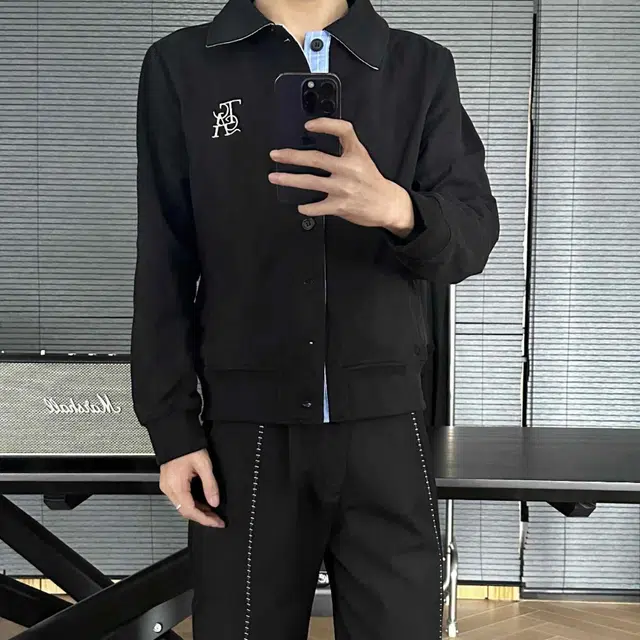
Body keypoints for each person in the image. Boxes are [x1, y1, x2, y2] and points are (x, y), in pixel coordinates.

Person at [131, 0, 499, 637]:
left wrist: (397, 208)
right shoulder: (182, 66)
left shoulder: (420, 68)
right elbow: (164, 257)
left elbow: (472, 239)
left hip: (385, 431)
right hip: (245, 436)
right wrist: (172, 429)